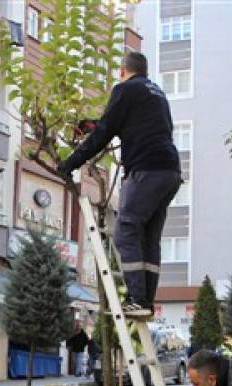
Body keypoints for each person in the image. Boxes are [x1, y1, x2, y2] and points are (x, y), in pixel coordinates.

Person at [57, 51, 182, 320]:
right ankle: (145, 300)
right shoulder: (157, 94)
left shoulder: (124, 89)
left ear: (123, 71)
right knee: (149, 238)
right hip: (169, 171)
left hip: (145, 170)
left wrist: (71, 163)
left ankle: (137, 299)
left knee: (126, 229)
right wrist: (94, 125)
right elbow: (121, 124)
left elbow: (104, 133)